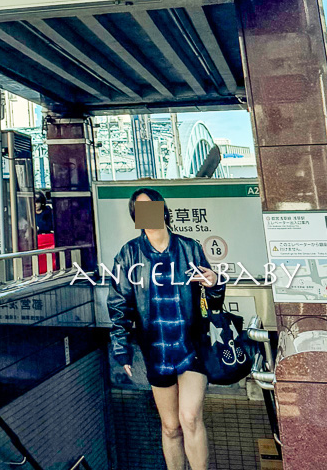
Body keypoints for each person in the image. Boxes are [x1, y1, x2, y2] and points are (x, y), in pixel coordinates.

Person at [106, 188, 223, 470]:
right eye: (140, 208)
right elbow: (119, 304)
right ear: (136, 216)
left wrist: (215, 282)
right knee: (170, 427)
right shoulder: (129, 254)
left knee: (190, 417)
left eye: (152, 206)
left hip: (192, 345)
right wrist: (122, 351)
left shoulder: (190, 248)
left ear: (163, 209)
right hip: (156, 351)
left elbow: (211, 301)